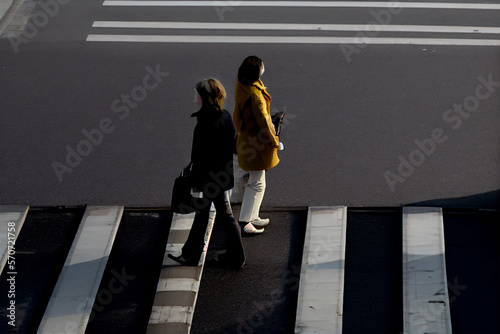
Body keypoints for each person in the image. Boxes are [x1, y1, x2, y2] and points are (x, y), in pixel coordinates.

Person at [169, 78, 245, 269]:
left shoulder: (206, 122)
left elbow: (201, 156)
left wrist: (195, 179)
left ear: (204, 97)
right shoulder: (224, 116)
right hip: (221, 176)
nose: (194, 96)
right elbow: (234, 144)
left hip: (208, 180)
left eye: (197, 93)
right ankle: (195, 254)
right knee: (210, 214)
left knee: (220, 215)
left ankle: (232, 256)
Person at [233, 56, 280, 235]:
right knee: (257, 183)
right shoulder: (256, 95)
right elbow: (265, 122)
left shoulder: (241, 86)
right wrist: (275, 141)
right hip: (257, 143)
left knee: (257, 180)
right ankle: (246, 221)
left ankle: (253, 216)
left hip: (246, 138)